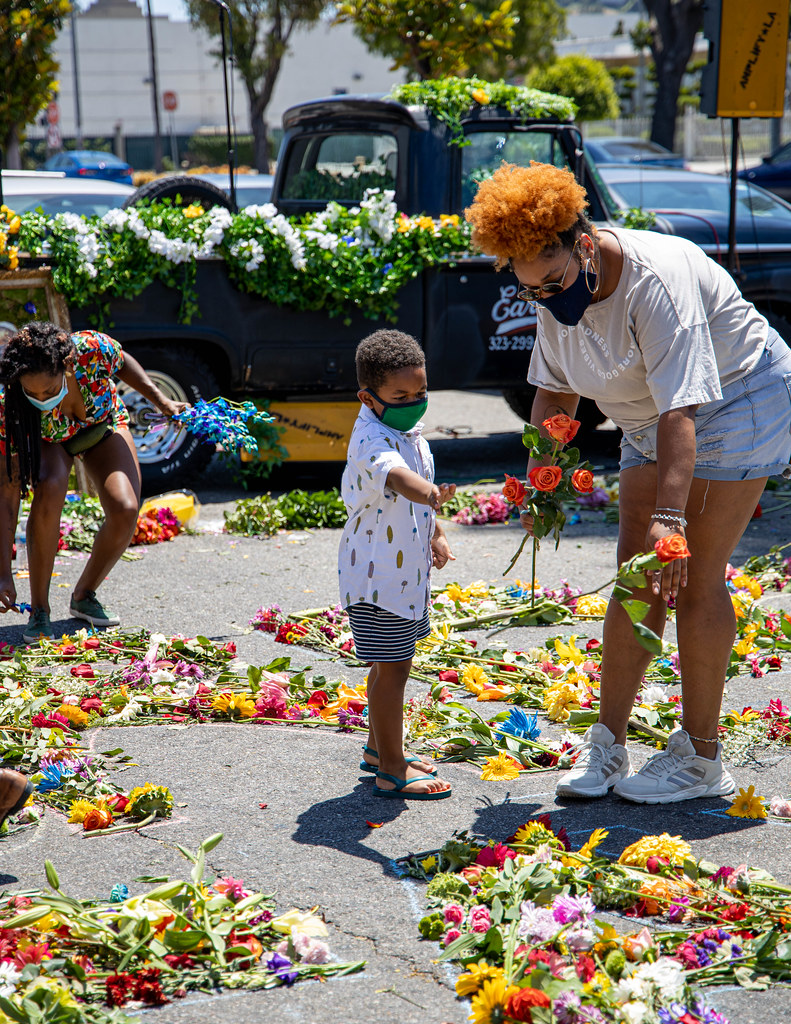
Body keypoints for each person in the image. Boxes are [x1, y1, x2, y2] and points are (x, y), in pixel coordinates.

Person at [465, 161, 791, 805]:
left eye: (553, 281)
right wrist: (541, 483)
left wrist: (670, 520)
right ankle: (608, 744)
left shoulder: (654, 284)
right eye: (530, 290)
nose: (547, 298)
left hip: (736, 400)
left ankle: (700, 760)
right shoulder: (553, 289)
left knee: (689, 572)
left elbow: (683, 412)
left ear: (584, 245)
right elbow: (556, 392)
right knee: (635, 577)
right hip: (649, 416)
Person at [0, 322, 185, 643]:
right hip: (48, 439)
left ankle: (84, 595)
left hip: (100, 422)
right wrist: (3, 572)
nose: (40, 398)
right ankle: (39, 610)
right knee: (51, 485)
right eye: (31, 392)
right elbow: (6, 496)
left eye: (47, 390)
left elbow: (123, 361)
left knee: (125, 508)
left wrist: (162, 402)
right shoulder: (10, 404)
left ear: (67, 367)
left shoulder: (89, 349)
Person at [338, 330, 455, 800]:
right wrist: (431, 496)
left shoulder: (408, 430)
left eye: (421, 392)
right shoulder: (370, 437)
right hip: (377, 577)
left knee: (392, 665)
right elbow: (401, 477)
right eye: (401, 395)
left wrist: (437, 532)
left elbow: (420, 477)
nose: (414, 402)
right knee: (393, 668)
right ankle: (391, 767)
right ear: (369, 397)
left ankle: (377, 747)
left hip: (404, 573)